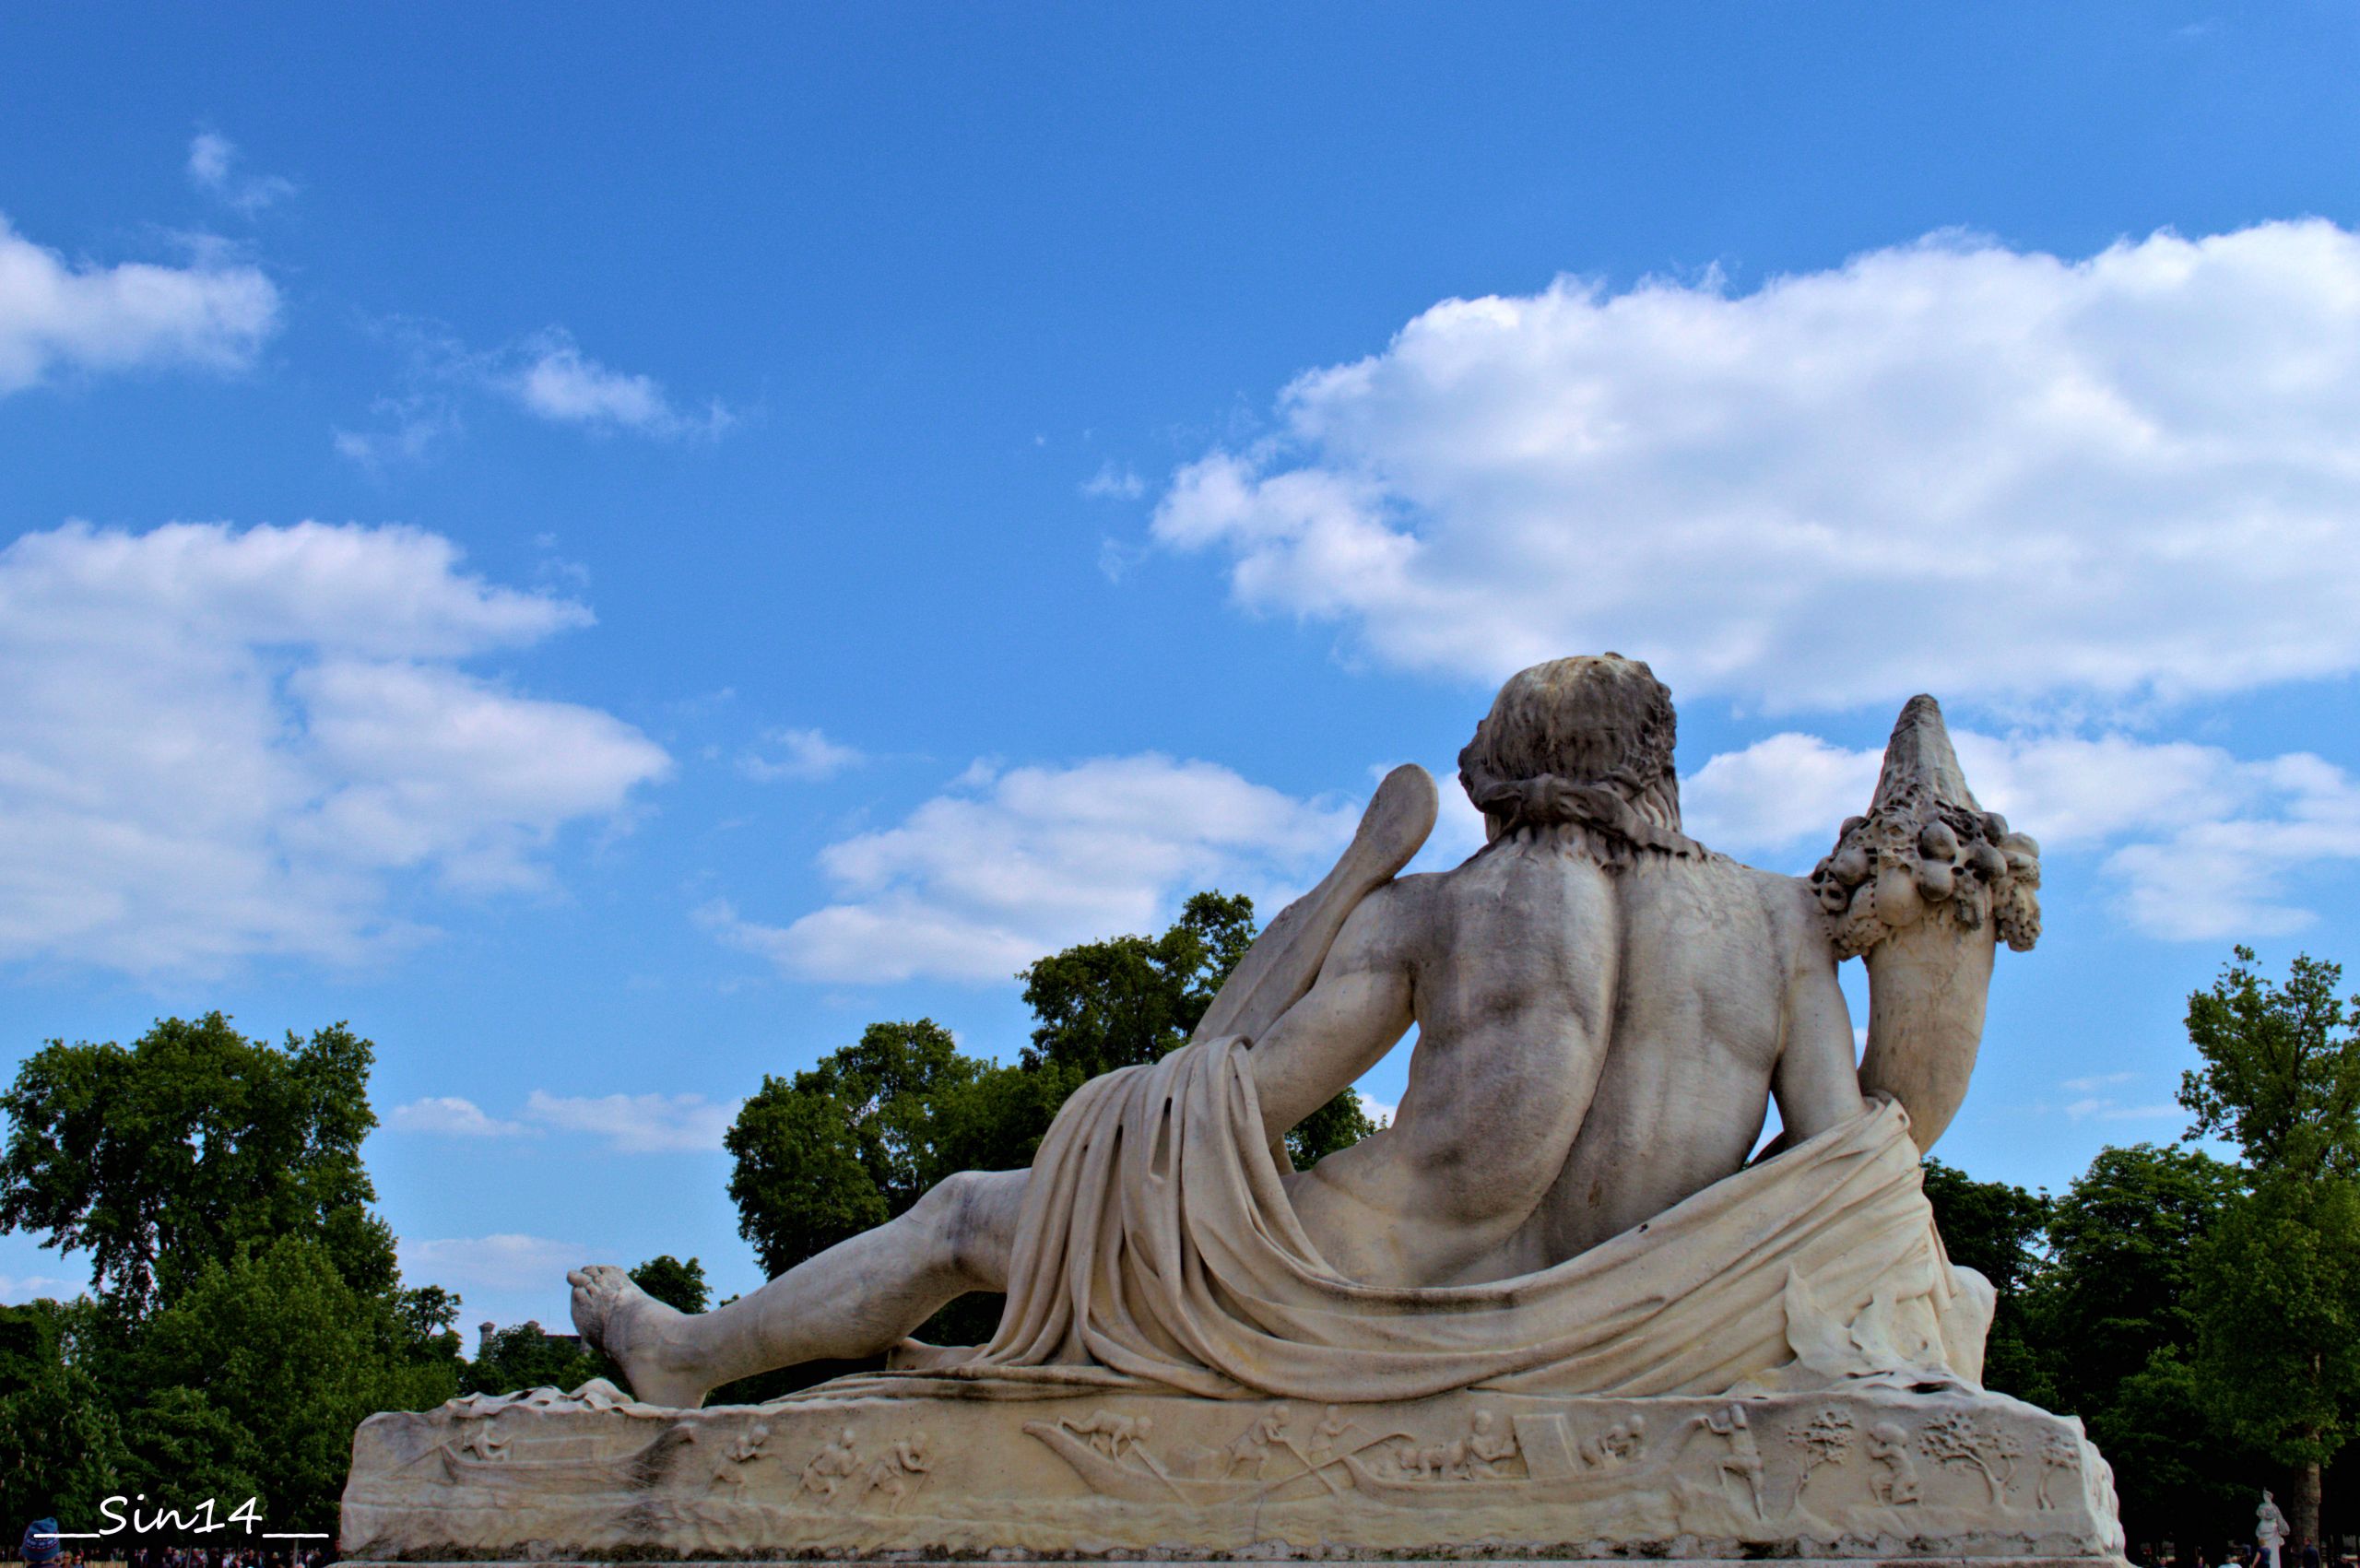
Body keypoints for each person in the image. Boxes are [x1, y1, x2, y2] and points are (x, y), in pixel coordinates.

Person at [572, 655, 2011, 1406]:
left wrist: (1345, 884)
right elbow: (1843, 1161)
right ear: (1658, 770)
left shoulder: (1446, 910)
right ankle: (695, 1354)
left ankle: (689, 1354)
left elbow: (1232, 1101)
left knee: (964, 1216)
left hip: (1338, 1280)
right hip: (1628, 1307)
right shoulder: (1770, 923)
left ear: (1503, 775)